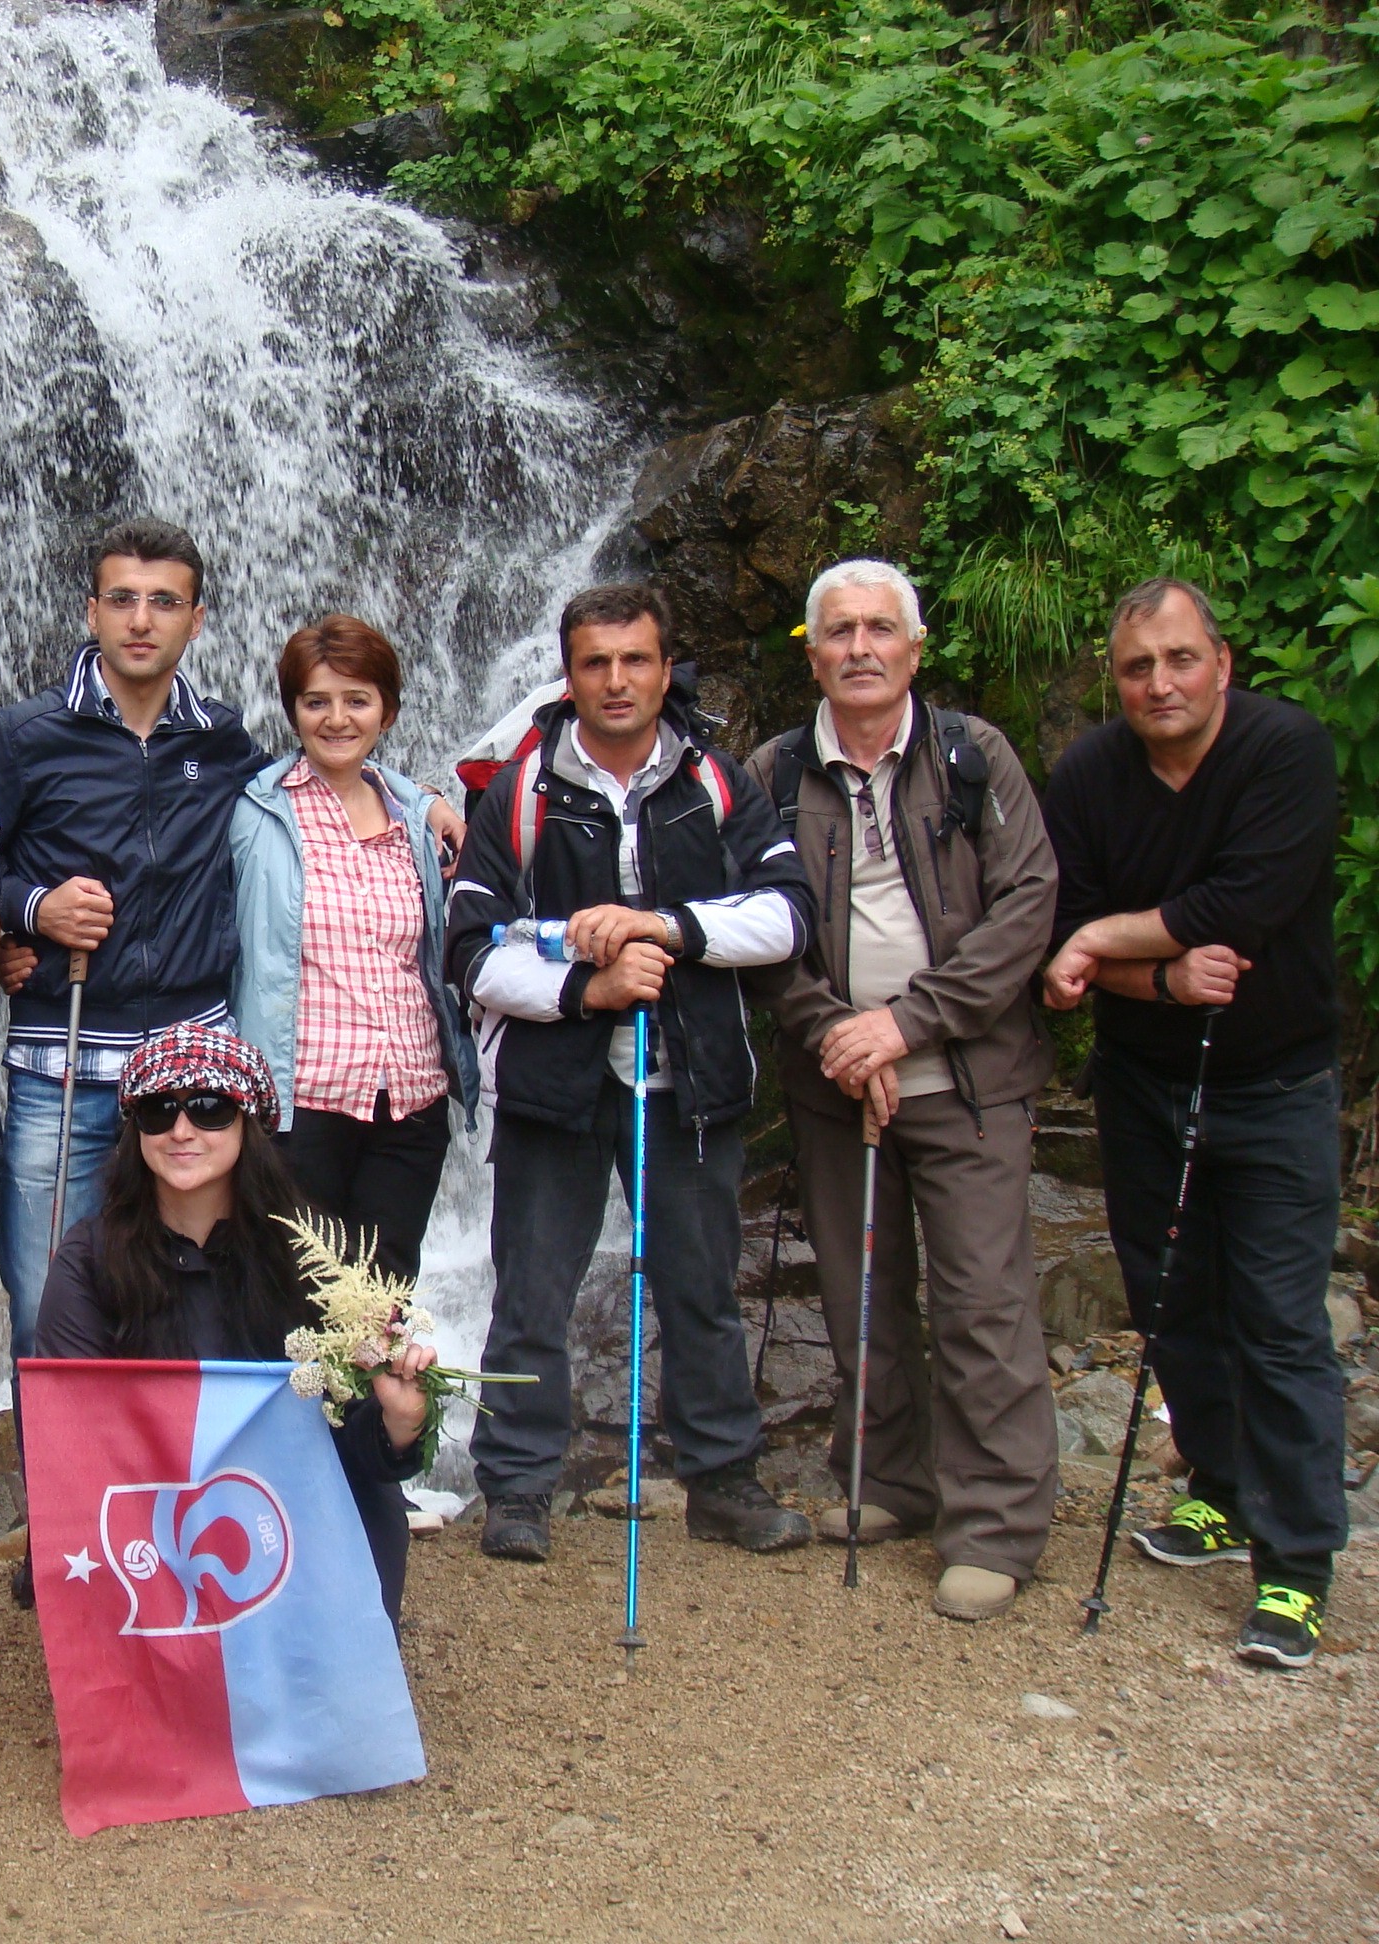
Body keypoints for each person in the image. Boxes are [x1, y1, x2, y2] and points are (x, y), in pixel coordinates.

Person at [0, 521, 464, 1349]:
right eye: (123, 600)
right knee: (42, 1304)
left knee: (184, 1306)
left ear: (196, 620)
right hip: (64, 1063)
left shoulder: (225, 742)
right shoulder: (23, 736)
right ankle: (60, 1481)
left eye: (164, 602)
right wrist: (28, 913)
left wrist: (424, 800)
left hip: (192, 1072)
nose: (142, 619)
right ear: (91, 611)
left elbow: (329, 771)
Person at [444, 582, 816, 1563]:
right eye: (595, 664)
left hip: (689, 1080)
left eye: (635, 661)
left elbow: (786, 916)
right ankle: (517, 1490)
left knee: (701, 1289)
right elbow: (472, 950)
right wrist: (586, 991)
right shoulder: (520, 796)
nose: (616, 681)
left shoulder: (719, 783)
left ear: (665, 670)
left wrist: (666, 929)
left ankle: (725, 1483)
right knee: (532, 1292)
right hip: (554, 1087)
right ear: (566, 677)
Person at [744, 560, 1061, 1623]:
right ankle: (889, 1482)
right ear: (815, 650)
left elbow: (1027, 905)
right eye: (839, 631)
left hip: (967, 1077)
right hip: (840, 1084)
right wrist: (838, 1035)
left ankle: (996, 1523)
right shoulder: (776, 769)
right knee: (860, 1295)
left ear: (915, 649)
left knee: (982, 1299)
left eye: (882, 629)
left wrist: (904, 1025)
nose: (861, 648)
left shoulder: (976, 757)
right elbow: (758, 928)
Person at [1043, 577, 1347, 1670]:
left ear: (1221, 661)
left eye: (1179, 659)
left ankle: (1299, 1567)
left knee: (1278, 1321)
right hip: (1143, 1082)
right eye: (1138, 666)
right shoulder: (1086, 776)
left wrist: (1102, 948)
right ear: (1114, 676)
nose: (1160, 683)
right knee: (1172, 1302)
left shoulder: (1286, 751)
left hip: (1276, 1084)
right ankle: (1219, 1488)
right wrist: (1155, 977)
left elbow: (1244, 906)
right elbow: (1056, 936)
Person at [34, 1024, 437, 1624]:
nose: (181, 1129)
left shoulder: (317, 1260)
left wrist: (399, 1425)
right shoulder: (88, 1262)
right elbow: (73, 1436)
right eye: (156, 1110)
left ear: (251, 1122)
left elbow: (360, 1452)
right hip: (148, 1515)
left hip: (291, 1507)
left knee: (371, 1501)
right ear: (132, 1129)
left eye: (209, 1108)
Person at [230, 615, 478, 1285]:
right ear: (293, 712)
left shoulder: (414, 820)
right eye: (316, 702)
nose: (336, 719)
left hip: (411, 1100)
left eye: (357, 700)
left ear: (387, 711)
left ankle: (382, 1398)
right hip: (303, 1102)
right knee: (304, 1298)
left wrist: (425, 799)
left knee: (387, 1291)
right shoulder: (255, 813)